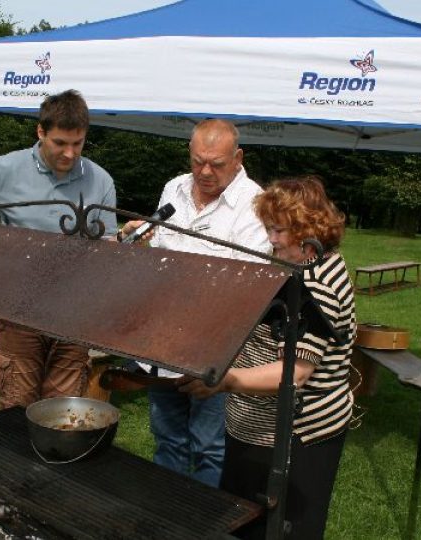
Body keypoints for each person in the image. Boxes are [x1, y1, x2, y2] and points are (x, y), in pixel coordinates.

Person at [178, 176, 357, 539]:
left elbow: (294, 375)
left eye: (279, 231)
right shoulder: (297, 265)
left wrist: (228, 381)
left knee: (282, 530)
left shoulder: (318, 285)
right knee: (242, 522)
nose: (271, 239)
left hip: (296, 435)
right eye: (269, 229)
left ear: (309, 230)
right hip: (255, 428)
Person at [0, 89, 117, 410]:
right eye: (60, 143)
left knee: (63, 410)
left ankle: (53, 460)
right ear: (41, 132)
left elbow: (107, 244)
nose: (69, 153)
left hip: (74, 313)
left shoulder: (100, 180)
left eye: (77, 144)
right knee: (17, 405)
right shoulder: (8, 169)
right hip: (18, 306)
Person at [119, 119, 270, 487]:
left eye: (216, 164)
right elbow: (158, 251)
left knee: (209, 445)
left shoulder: (255, 204)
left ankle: (204, 521)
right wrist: (140, 239)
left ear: (238, 158)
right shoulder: (174, 188)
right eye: (198, 160)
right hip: (162, 339)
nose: (204, 171)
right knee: (167, 436)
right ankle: (167, 511)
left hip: (215, 343)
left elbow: (245, 284)